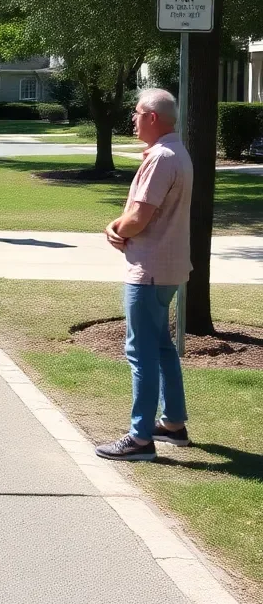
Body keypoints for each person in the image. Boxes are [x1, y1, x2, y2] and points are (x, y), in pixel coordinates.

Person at [96, 88, 192, 462]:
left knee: (141, 352)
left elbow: (138, 218)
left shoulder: (163, 157)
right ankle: (173, 424)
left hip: (148, 270)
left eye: (136, 113)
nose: (132, 119)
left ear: (152, 117)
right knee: (163, 347)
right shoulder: (176, 152)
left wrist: (113, 226)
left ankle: (139, 438)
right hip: (166, 268)